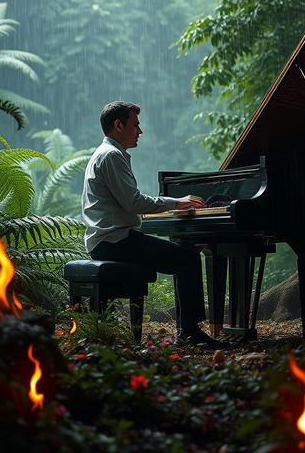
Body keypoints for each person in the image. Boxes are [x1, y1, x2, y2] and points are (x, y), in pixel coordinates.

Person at [82, 101, 228, 349]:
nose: (140, 131)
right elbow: (133, 202)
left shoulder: (106, 154)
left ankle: (188, 331)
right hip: (113, 242)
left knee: (183, 256)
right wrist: (176, 203)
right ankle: (190, 333)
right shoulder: (112, 156)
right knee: (188, 259)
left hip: (110, 240)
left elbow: (127, 204)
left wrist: (165, 208)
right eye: (135, 125)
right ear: (119, 125)